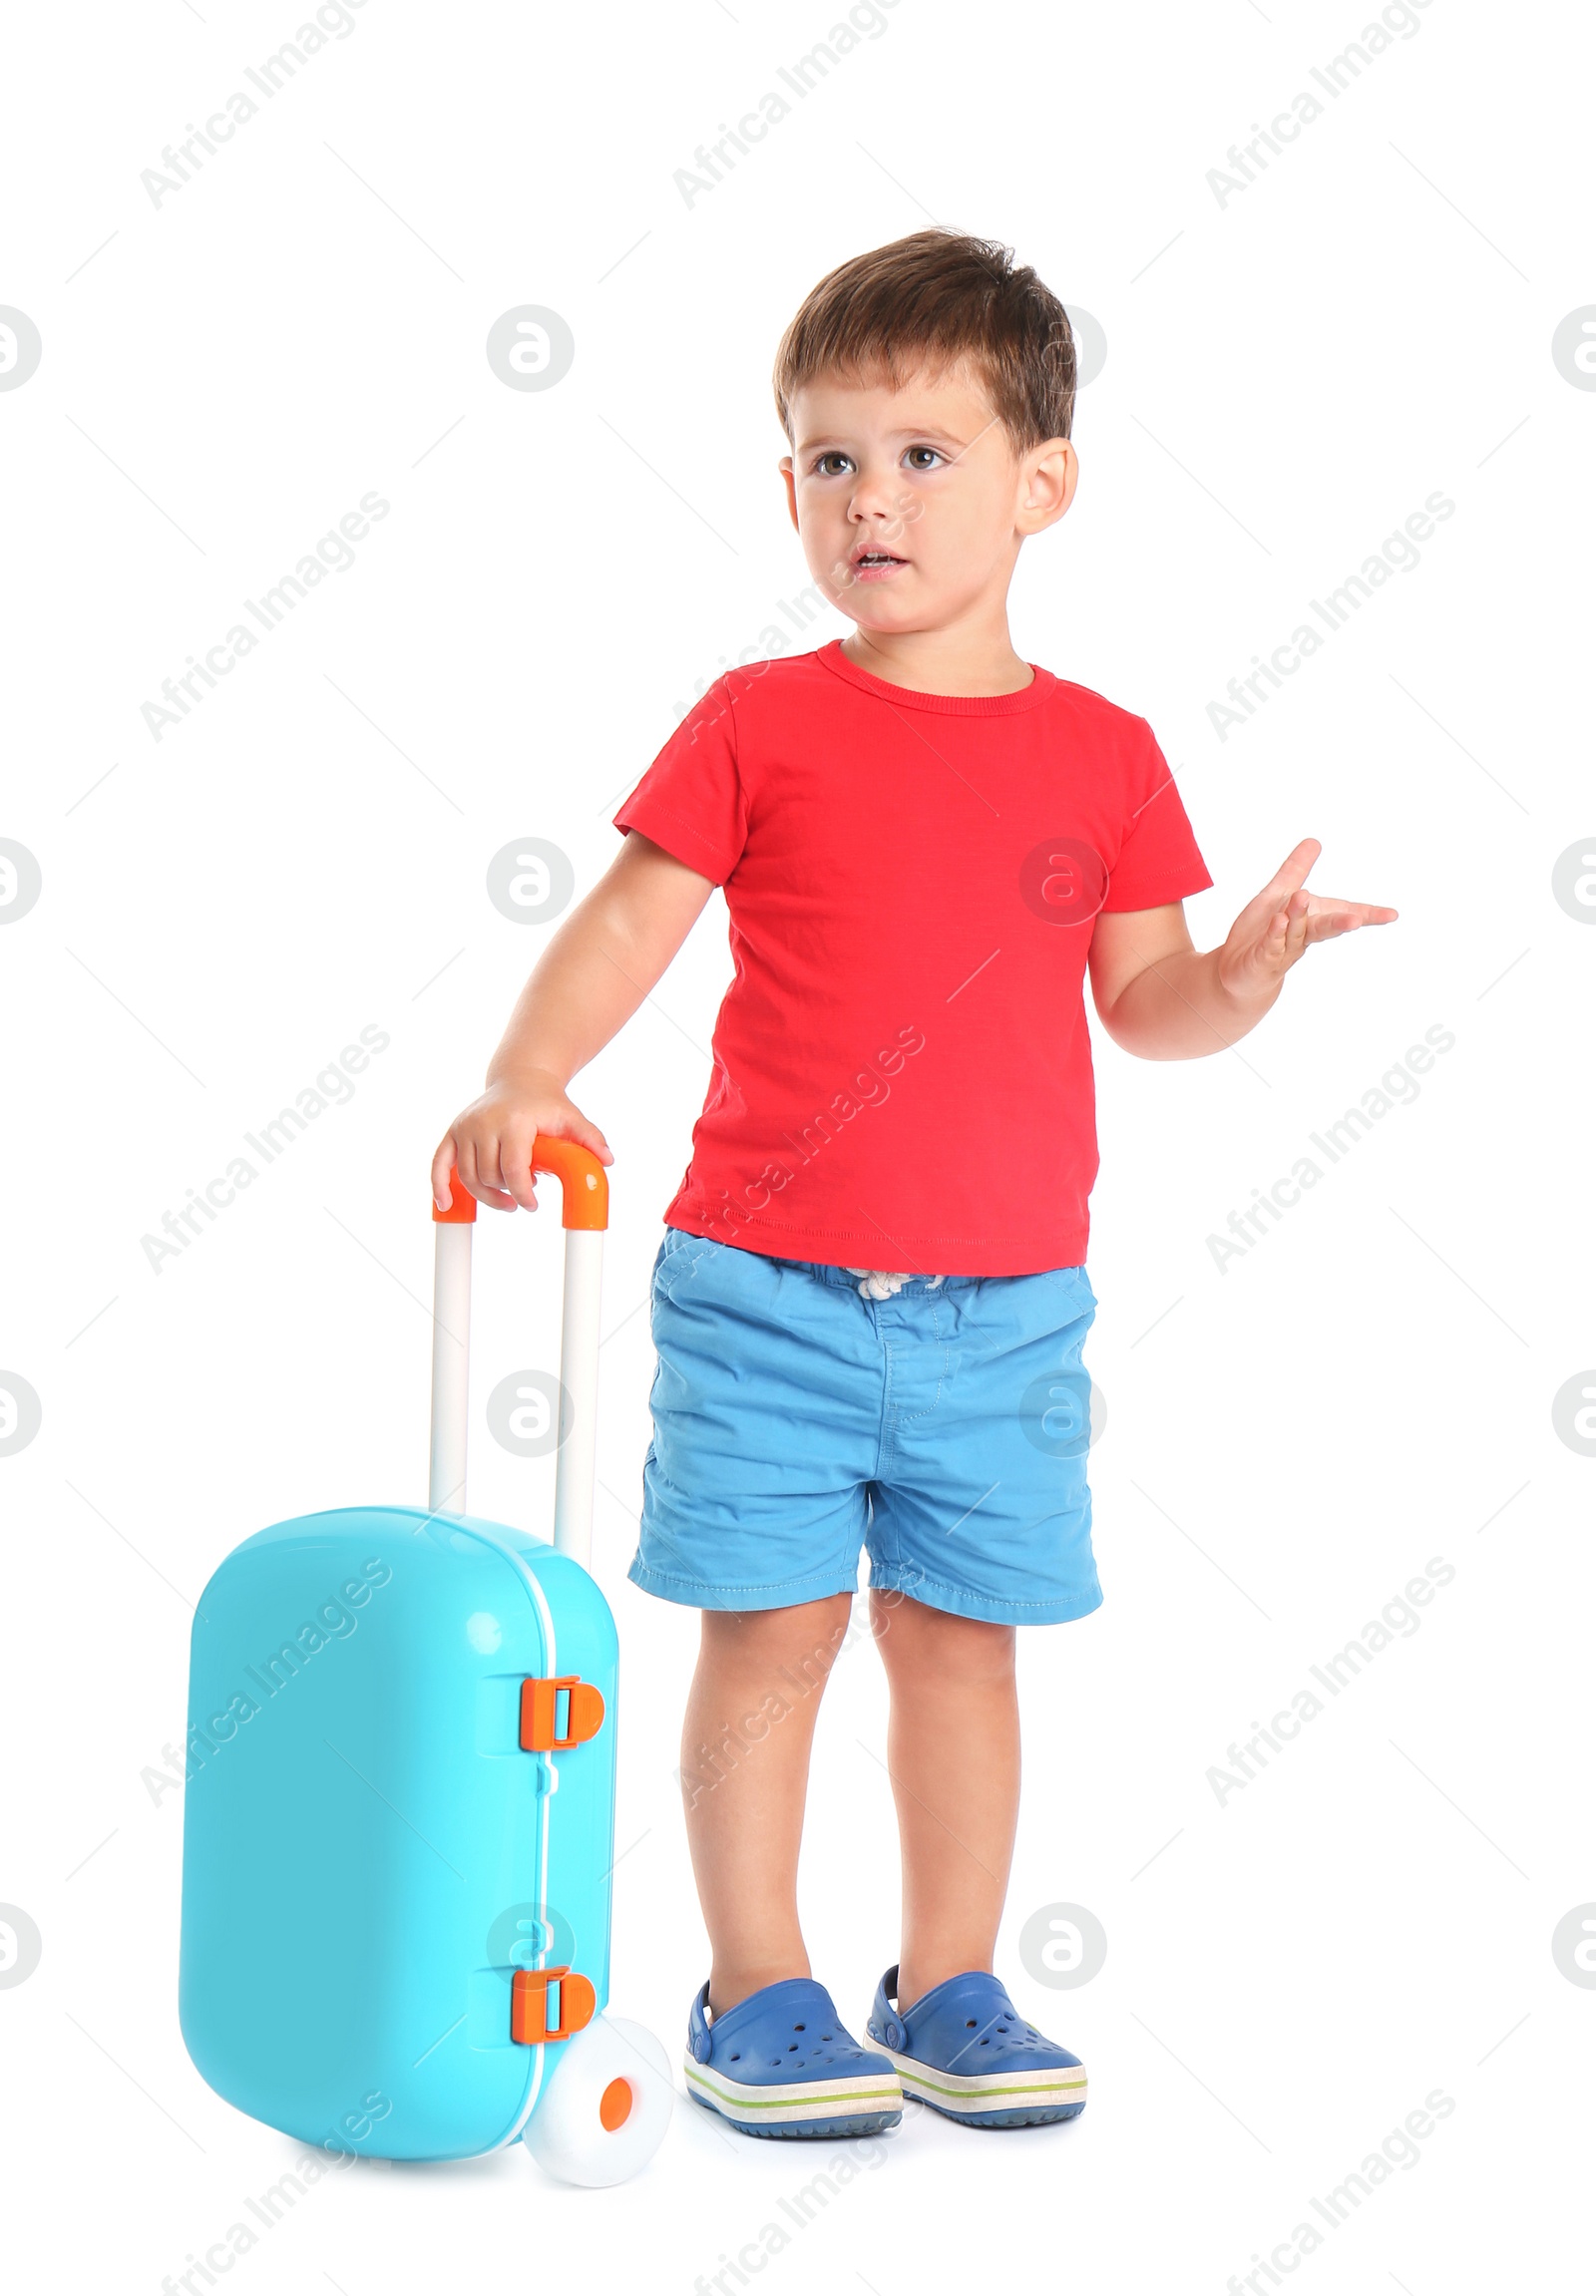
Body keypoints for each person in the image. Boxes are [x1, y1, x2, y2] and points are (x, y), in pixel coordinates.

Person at [432, 229, 1396, 2140]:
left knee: (964, 1647)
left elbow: (1150, 1007)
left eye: (924, 454)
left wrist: (1246, 978)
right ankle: (758, 1982)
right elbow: (632, 921)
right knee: (770, 1637)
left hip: (1006, 1307)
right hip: (762, 1288)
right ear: (789, 485)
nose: (871, 497)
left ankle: (949, 1976)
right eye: (828, 458)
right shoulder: (755, 719)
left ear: (1045, 482)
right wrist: (527, 1074)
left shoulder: (1106, 753)